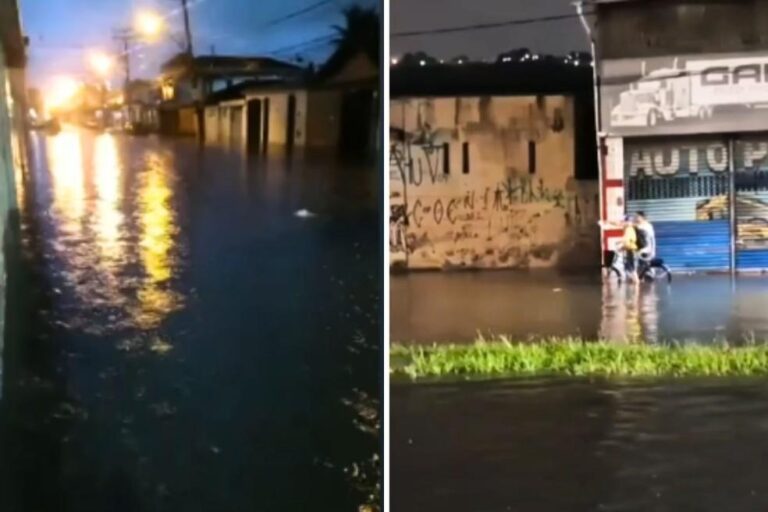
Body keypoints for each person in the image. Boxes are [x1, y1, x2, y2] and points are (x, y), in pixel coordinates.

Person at [635, 211, 656, 278]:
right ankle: (643, 276)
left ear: (642, 217)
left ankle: (650, 274)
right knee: (641, 263)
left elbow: (652, 238)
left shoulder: (648, 226)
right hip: (640, 248)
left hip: (646, 248)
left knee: (645, 263)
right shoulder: (637, 225)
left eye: (637, 216)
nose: (636, 218)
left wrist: (653, 250)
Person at [621, 215, 639, 283]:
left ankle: (637, 285)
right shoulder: (630, 228)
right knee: (631, 267)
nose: (623, 223)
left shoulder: (629, 229)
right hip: (631, 249)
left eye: (624, 221)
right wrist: (622, 247)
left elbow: (626, 240)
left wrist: (619, 243)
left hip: (631, 250)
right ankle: (635, 282)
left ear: (627, 221)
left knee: (632, 268)